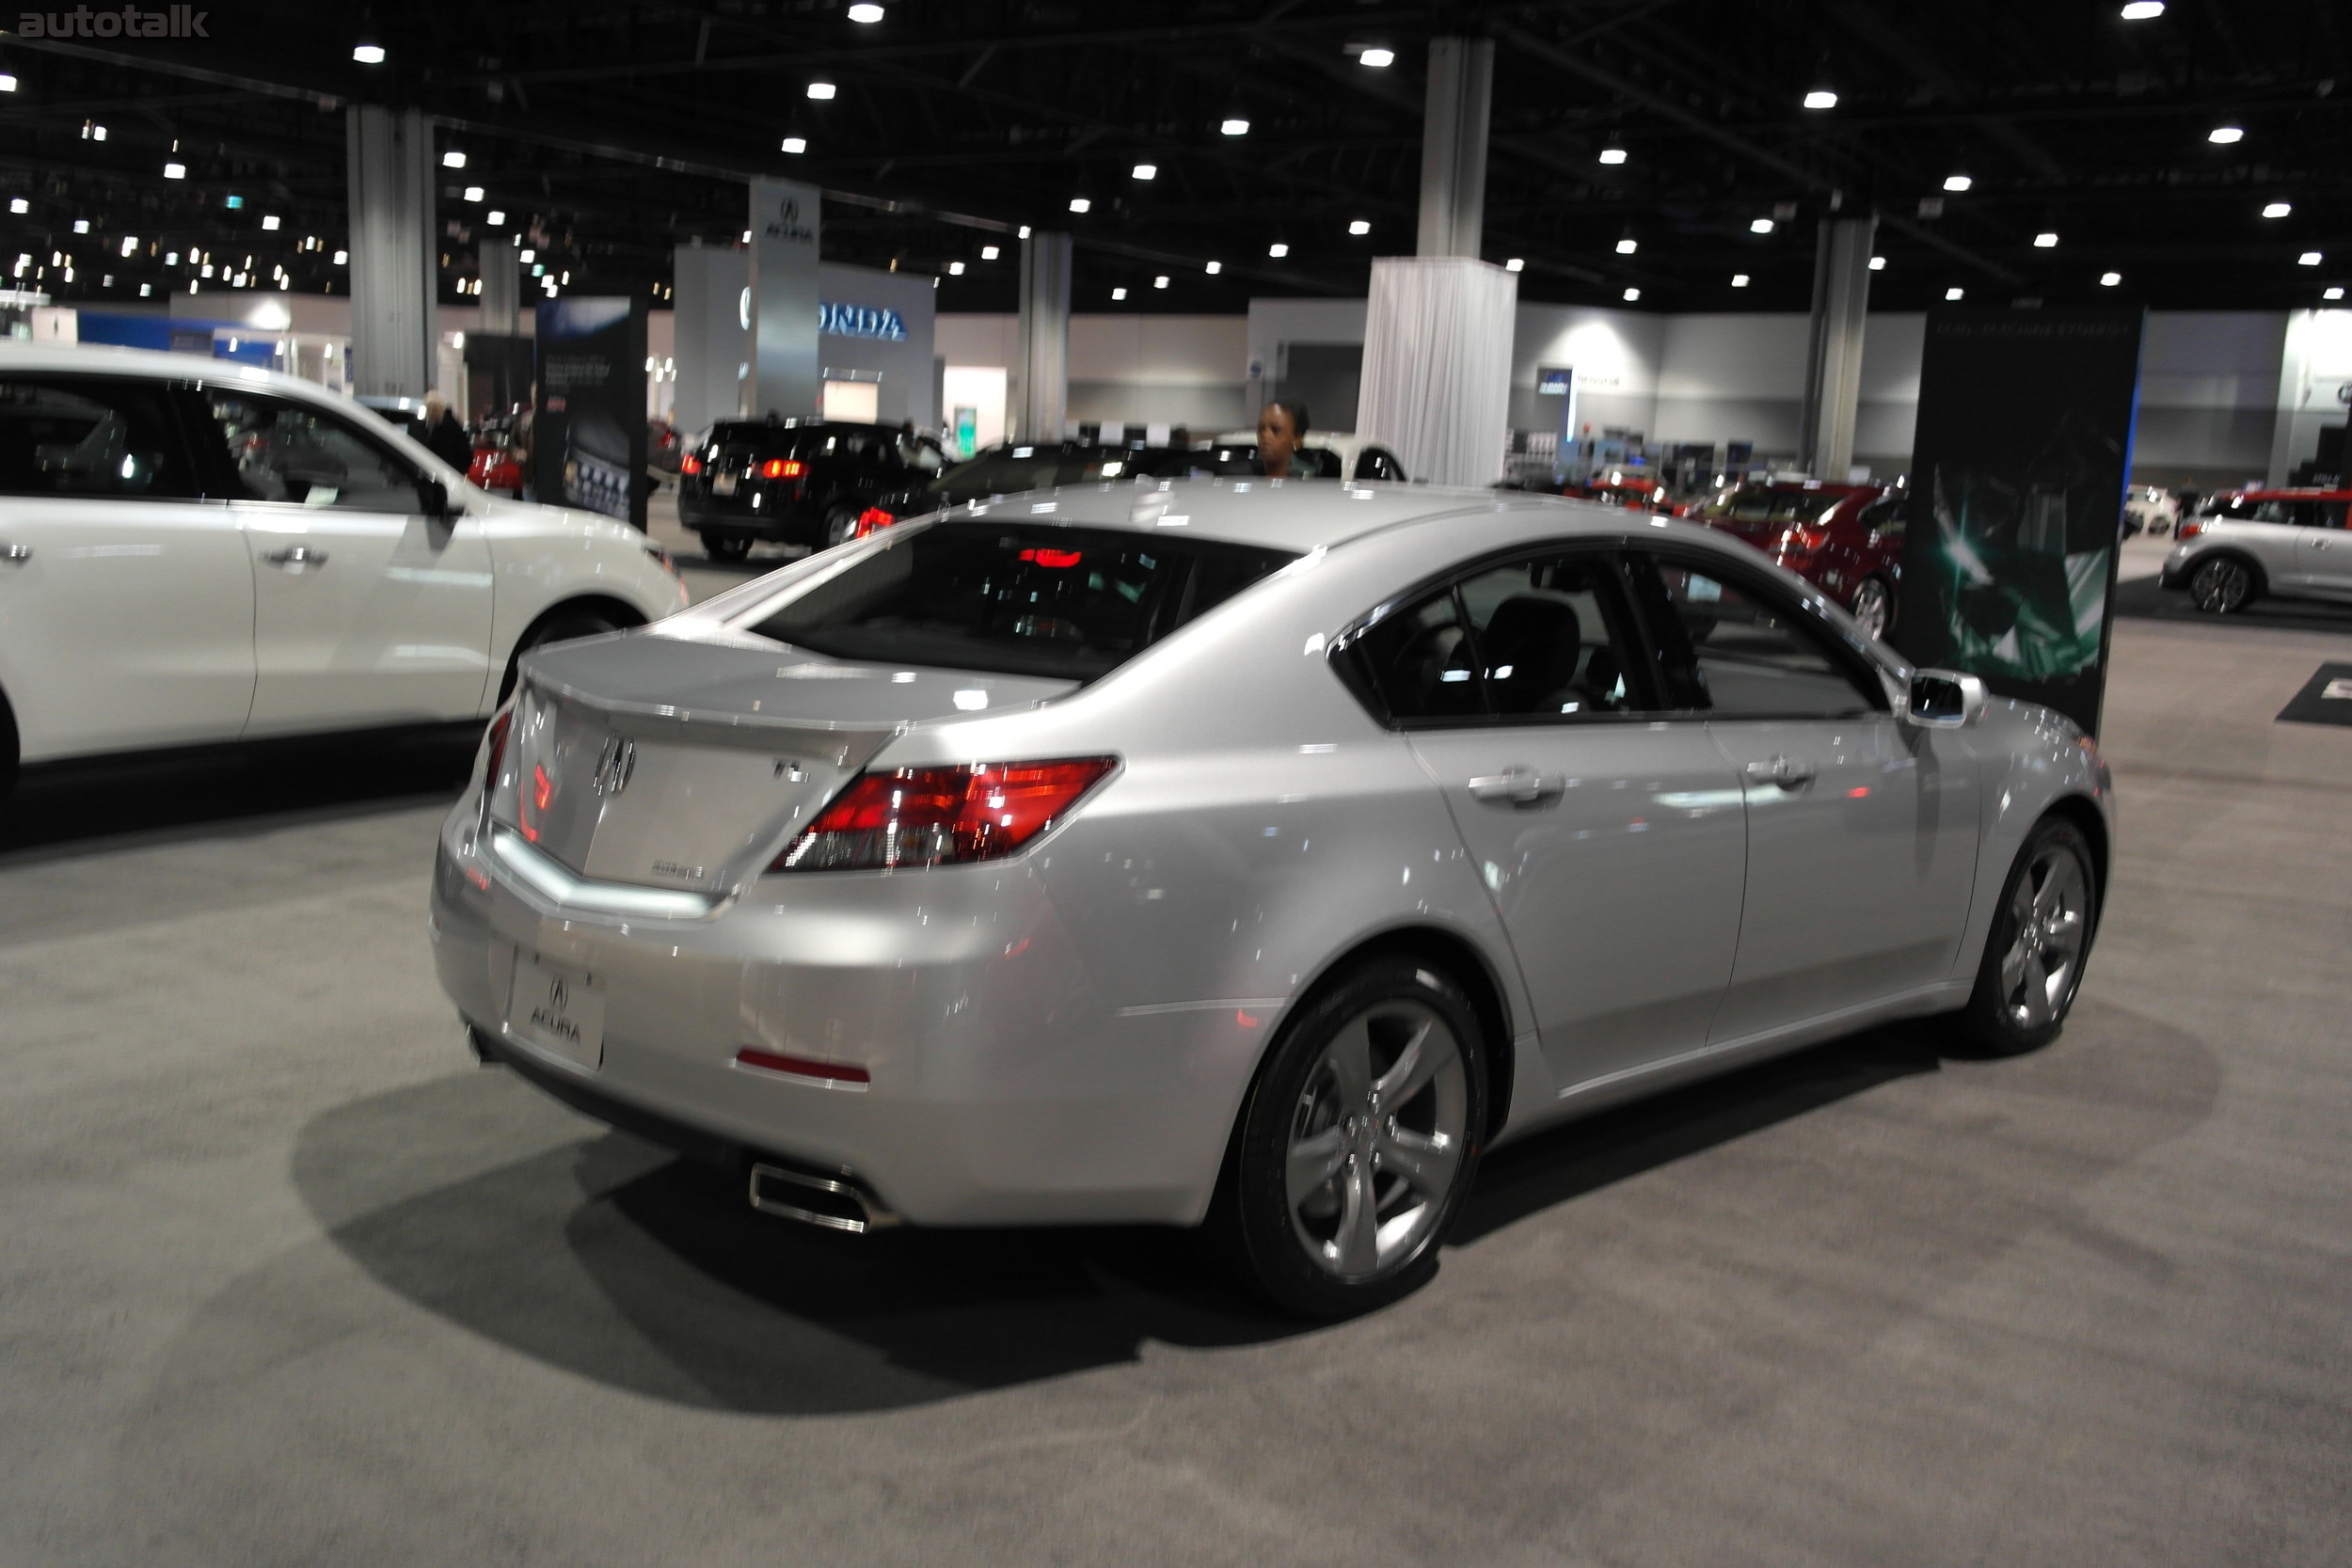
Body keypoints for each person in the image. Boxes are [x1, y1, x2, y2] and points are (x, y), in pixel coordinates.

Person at [1255, 399, 1316, 480]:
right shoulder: (1238, 479)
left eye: (1275, 430)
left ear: (1297, 439)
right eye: (1261, 428)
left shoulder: (1304, 484)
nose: (1265, 435)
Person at [421, 391, 473, 475]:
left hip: (448, 473)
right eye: (429, 409)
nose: (430, 413)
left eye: (434, 409)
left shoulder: (446, 427)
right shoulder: (442, 425)